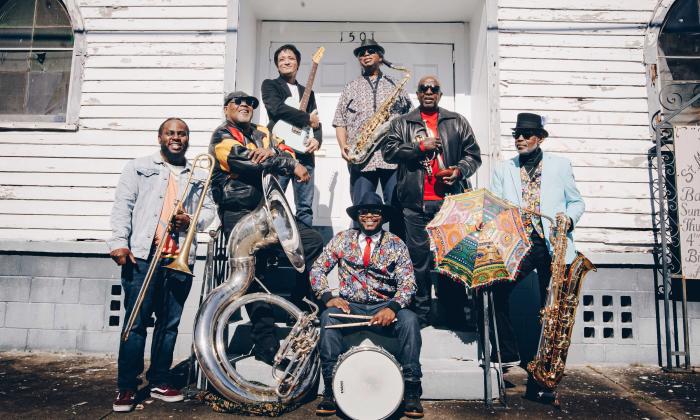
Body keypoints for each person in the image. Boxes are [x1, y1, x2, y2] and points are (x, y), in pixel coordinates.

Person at [107, 118, 217, 413]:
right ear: (160, 137)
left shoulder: (198, 173)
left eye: (182, 133)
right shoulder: (138, 167)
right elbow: (123, 205)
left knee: (169, 325)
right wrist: (118, 242)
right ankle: (127, 387)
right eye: (171, 133)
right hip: (142, 255)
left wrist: (190, 219)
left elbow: (209, 212)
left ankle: (159, 379)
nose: (176, 137)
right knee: (136, 322)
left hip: (177, 257)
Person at [209, 90, 324, 365]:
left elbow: (285, 148)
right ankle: (267, 346)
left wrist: (273, 153)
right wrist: (284, 162)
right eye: (239, 102)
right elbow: (243, 160)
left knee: (311, 241)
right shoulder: (221, 136)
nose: (246, 106)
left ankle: (299, 305)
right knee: (252, 278)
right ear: (227, 109)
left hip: (264, 211)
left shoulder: (262, 130)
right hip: (237, 213)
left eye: (250, 103)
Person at [489, 112, 585, 402]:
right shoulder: (503, 169)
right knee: (495, 287)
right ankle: (506, 353)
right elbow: (494, 206)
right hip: (519, 243)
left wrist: (567, 219)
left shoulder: (560, 166)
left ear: (540, 138)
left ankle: (544, 378)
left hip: (553, 244)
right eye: (516, 134)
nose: (520, 138)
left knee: (554, 309)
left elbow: (577, 202)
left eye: (526, 134)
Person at [310, 192, 424, 418]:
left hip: (384, 307)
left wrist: (392, 308)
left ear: (382, 217)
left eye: (375, 212)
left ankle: (412, 390)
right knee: (328, 318)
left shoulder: (396, 244)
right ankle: (330, 390)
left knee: (410, 321)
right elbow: (317, 269)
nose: (369, 216)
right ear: (358, 216)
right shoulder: (342, 239)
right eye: (364, 212)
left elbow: (409, 283)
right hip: (350, 307)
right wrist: (327, 297)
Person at [383, 76, 482, 327]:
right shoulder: (402, 122)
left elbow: (473, 155)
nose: (429, 92)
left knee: (452, 260)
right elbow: (389, 152)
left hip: (449, 204)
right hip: (414, 204)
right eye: (424, 88)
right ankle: (422, 313)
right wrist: (419, 147)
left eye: (434, 88)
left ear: (440, 93)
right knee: (418, 261)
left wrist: (458, 171)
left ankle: (454, 314)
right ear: (417, 94)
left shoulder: (456, 121)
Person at [333, 38, 412, 234]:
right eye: (361, 53)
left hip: (391, 158)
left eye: (371, 51)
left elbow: (410, 117)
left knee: (396, 208)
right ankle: (359, 256)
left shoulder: (396, 86)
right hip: (361, 158)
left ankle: (397, 253)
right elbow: (340, 121)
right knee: (361, 209)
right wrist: (343, 146)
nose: (365, 54)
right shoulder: (350, 87)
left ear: (380, 56)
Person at [261, 44, 322, 228]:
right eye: (281, 59)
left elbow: (315, 121)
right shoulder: (270, 85)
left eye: (291, 58)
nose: (286, 61)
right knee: (273, 202)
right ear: (277, 65)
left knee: (304, 207)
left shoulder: (308, 92)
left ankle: (305, 249)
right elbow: (277, 109)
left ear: (298, 64)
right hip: (280, 152)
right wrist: (306, 118)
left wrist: (317, 138)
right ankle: (271, 250)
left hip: (304, 154)